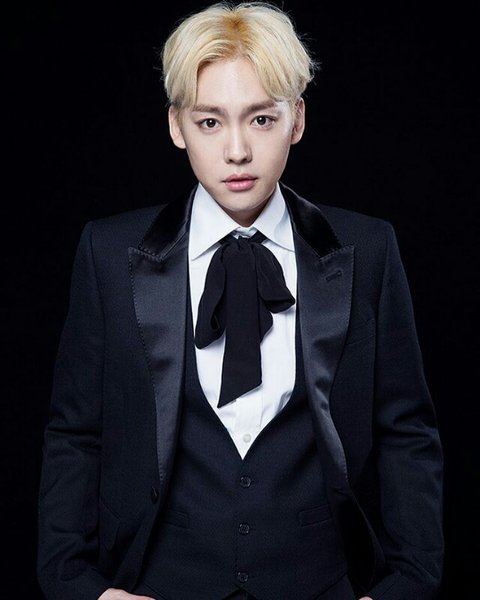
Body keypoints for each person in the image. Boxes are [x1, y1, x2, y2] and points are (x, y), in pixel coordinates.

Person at [37, 2, 444, 599]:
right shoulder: (108, 252)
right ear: (176, 126)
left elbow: (406, 431)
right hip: (159, 584)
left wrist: (406, 585)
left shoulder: (369, 248)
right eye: (209, 122)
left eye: (260, 119)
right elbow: (75, 433)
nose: (236, 151)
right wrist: (80, 586)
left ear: (296, 120)